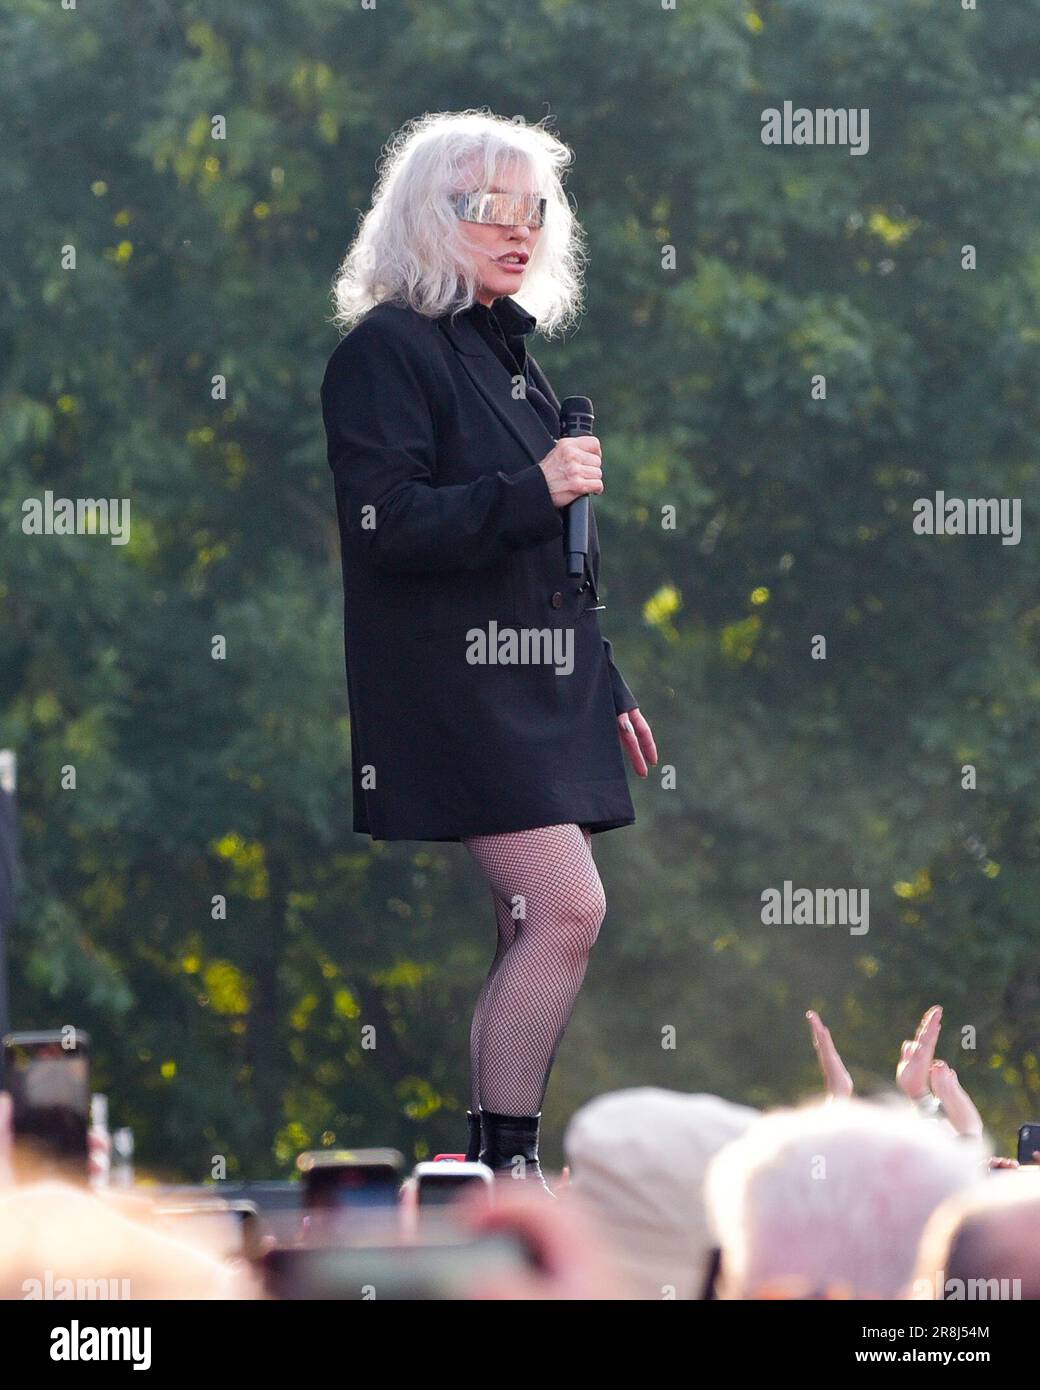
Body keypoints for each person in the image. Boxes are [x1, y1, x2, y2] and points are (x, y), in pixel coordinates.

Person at [321, 110, 657, 1191]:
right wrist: (537, 484)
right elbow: (389, 525)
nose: (519, 232)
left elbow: (553, 558)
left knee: (538, 915)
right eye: (488, 209)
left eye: (534, 211)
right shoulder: (385, 350)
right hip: (455, 679)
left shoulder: (507, 352)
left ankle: (501, 1158)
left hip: (539, 676)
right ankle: (501, 1167)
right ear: (428, 215)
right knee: (566, 904)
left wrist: (602, 682)